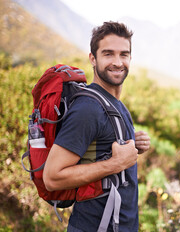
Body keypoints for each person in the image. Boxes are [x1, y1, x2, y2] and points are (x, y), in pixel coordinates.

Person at [43, 21, 150, 232]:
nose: (118, 62)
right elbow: (52, 177)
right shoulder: (88, 109)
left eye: (124, 54)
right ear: (93, 58)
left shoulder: (116, 105)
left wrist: (132, 143)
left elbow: (99, 149)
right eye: (108, 54)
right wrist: (116, 163)